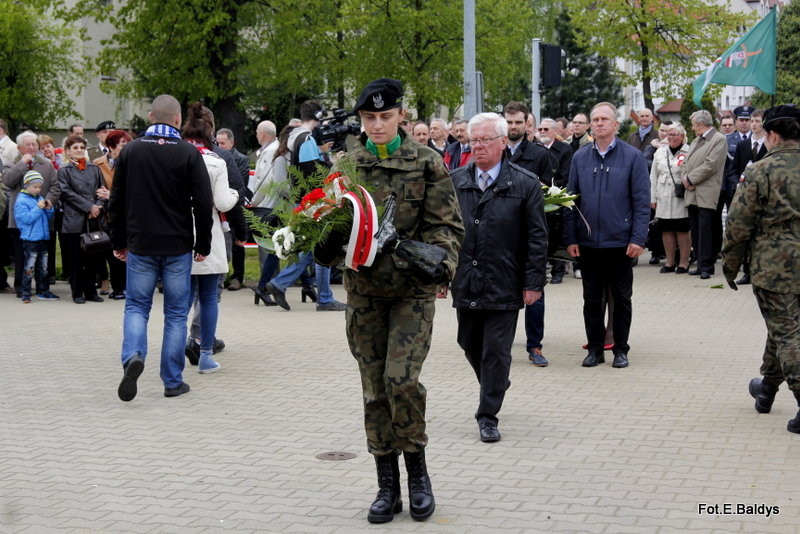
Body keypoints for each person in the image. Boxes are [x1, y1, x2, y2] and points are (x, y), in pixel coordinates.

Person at [336, 78, 463, 523]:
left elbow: (447, 227)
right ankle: (385, 485)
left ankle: (418, 476)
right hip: (365, 294)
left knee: (400, 381)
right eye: (368, 118)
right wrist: (321, 245)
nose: (376, 125)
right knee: (374, 390)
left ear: (400, 116)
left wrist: (437, 262)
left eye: (384, 116)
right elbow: (333, 227)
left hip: (411, 293)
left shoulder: (427, 163)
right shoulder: (347, 166)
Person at [109, 94, 213, 402]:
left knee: (137, 306)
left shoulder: (130, 152)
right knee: (177, 313)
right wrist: (203, 243)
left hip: (140, 243)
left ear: (151, 117)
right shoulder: (188, 153)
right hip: (177, 245)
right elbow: (203, 202)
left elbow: (116, 201)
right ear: (178, 120)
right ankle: (172, 380)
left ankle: (133, 357)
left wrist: (118, 240)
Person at [450, 112, 547, 442]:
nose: (477, 146)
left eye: (484, 140)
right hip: (466, 279)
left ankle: (487, 414)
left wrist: (533, 282)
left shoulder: (524, 183)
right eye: (472, 140)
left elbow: (537, 237)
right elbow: (445, 233)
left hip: (506, 280)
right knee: (469, 342)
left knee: (496, 351)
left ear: (503, 143)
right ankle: (496, 381)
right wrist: (439, 275)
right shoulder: (456, 180)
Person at [722, 105, 800, 434]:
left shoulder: (761, 170)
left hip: (776, 268)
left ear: (770, 135)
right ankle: (766, 390)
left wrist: (730, 265)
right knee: (782, 330)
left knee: (788, 334)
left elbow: (739, 224)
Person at [564, 102, 650, 368]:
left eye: (604, 119)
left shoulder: (632, 157)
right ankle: (595, 349)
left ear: (615, 125)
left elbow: (641, 201)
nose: (599, 123)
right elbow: (571, 200)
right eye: (595, 119)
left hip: (620, 242)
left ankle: (621, 350)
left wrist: (638, 238)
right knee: (591, 299)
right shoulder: (580, 157)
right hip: (588, 243)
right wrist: (571, 238)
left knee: (622, 298)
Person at [263, 100, 344, 312]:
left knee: (312, 249)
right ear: (317, 116)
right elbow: (311, 171)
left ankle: (284, 285)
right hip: (313, 201)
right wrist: (333, 165)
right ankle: (322, 298)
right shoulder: (306, 138)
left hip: (303, 200)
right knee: (320, 247)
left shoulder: (294, 136)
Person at [183, 103, 240, 373]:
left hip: (176, 233)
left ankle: (172, 357)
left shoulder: (173, 156)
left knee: (178, 302)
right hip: (209, 235)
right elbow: (222, 201)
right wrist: (237, 196)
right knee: (208, 297)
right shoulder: (215, 161)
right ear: (210, 133)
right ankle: (205, 354)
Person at [2, 131, 59, 297]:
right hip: (21, 220)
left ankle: (43, 287)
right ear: (20, 148)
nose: (32, 147)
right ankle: (21, 288)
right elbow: (6, 182)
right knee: (22, 255)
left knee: (43, 256)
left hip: (42, 219)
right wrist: (22, 164)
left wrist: (47, 202)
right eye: (28, 145)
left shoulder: (47, 164)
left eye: (34, 144)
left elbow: (55, 187)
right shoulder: (12, 163)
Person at [57, 135, 107, 304]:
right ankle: (77, 292)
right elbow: (66, 194)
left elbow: (102, 190)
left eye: (81, 147)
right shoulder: (64, 171)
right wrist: (88, 207)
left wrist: (98, 206)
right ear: (68, 151)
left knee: (93, 257)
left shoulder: (94, 169)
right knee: (76, 259)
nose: (79, 150)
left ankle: (91, 291)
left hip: (94, 220)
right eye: (75, 147)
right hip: (74, 220)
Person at [682, 110, 727, 279]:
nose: (693, 128)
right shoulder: (696, 140)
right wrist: (685, 178)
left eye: (694, 125)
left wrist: (691, 179)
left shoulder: (719, 139)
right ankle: (701, 264)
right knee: (696, 230)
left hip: (706, 191)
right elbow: (686, 161)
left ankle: (708, 266)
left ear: (701, 124)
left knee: (706, 230)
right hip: (692, 192)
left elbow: (711, 165)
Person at [252, 125, 294, 307]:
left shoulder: (272, 153)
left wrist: (254, 201)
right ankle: (266, 287)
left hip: (273, 206)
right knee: (281, 248)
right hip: (277, 208)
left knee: (285, 248)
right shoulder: (276, 154)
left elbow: (264, 183)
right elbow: (270, 183)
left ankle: (266, 287)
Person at [94, 130, 132, 299]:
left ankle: (120, 287)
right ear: (111, 147)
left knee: (121, 251)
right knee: (104, 251)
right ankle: (104, 281)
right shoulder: (97, 164)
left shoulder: (132, 164)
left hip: (124, 214)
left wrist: (112, 196)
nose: (126, 149)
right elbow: (93, 188)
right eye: (122, 145)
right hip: (102, 215)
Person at [650, 124, 691, 273]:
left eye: (676, 134)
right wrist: (652, 197)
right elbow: (653, 176)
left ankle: (684, 263)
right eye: (670, 134)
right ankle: (669, 262)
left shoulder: (688, 151)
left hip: (680, 196)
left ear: (682, 136)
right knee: (666, 229)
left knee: (682, 229)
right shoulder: (660, 152)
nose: (672, 137)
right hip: (663, 195)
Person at [13, 170, 57, 302]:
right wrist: (38, 208)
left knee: (43, 268)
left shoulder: (40, 198)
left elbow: (47, 217)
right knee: (29, 268)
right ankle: (25, 293)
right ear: (26, 185)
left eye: (40, 187)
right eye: (35, 187)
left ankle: (43, 291)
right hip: (31, 239)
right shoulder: (21, 201)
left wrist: (49, 209)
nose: (38, 190)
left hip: (43, 238)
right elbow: (26, 219)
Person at [216, 127, 250, 290]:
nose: (220, 146)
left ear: (232, 143)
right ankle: (222, 274)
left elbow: (239, 182)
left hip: (233, 202)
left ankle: (238, 276)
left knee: (238, 241)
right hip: (218, 205)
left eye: (223, 143)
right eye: (218, 142)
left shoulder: (241, 159)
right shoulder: (214, 156)